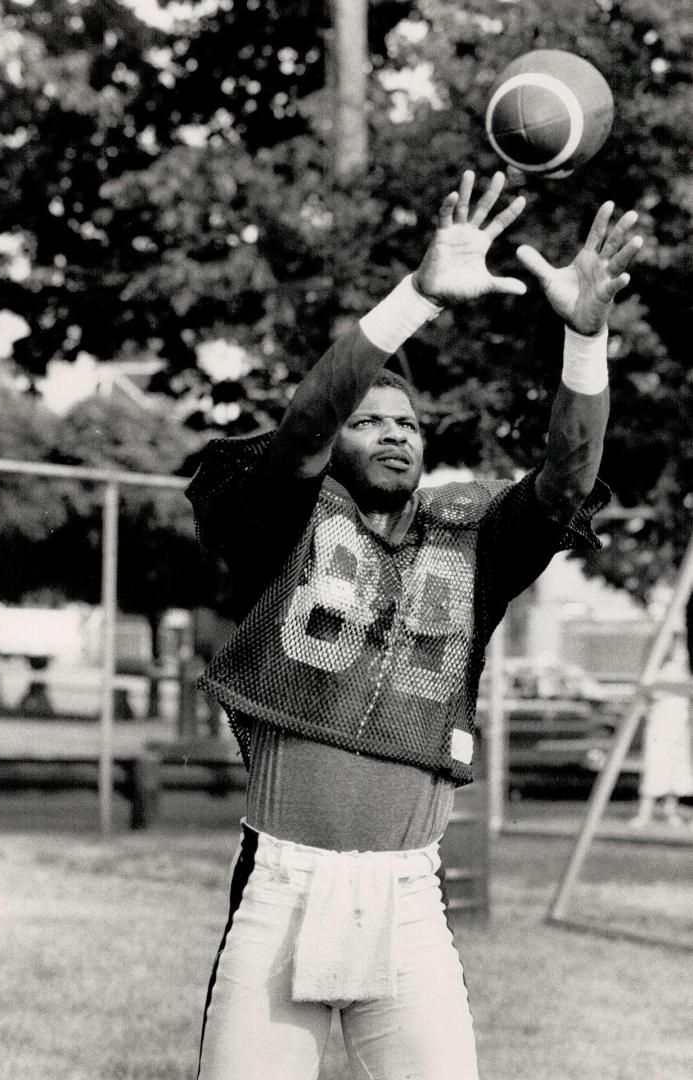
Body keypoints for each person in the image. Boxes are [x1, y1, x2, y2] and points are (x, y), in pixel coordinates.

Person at [186, 170, 643, 1080]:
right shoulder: (289, 517)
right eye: (369, 422)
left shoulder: (467, 541)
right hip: (284, 880)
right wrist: (415, 299)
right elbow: (307, 415)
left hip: (406, 895)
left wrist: (584, 337)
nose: (393, 433)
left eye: (406, 422)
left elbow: (564, 481)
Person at [630, 629, 693, 829]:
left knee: (676, 765)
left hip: (679, 721)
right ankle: (644, 812)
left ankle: (670, 810)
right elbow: (647, 687)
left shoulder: (685, 670)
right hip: (659, 722)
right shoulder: (656, 668)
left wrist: (671, 687)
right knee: (655, 763)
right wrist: (673, 687)